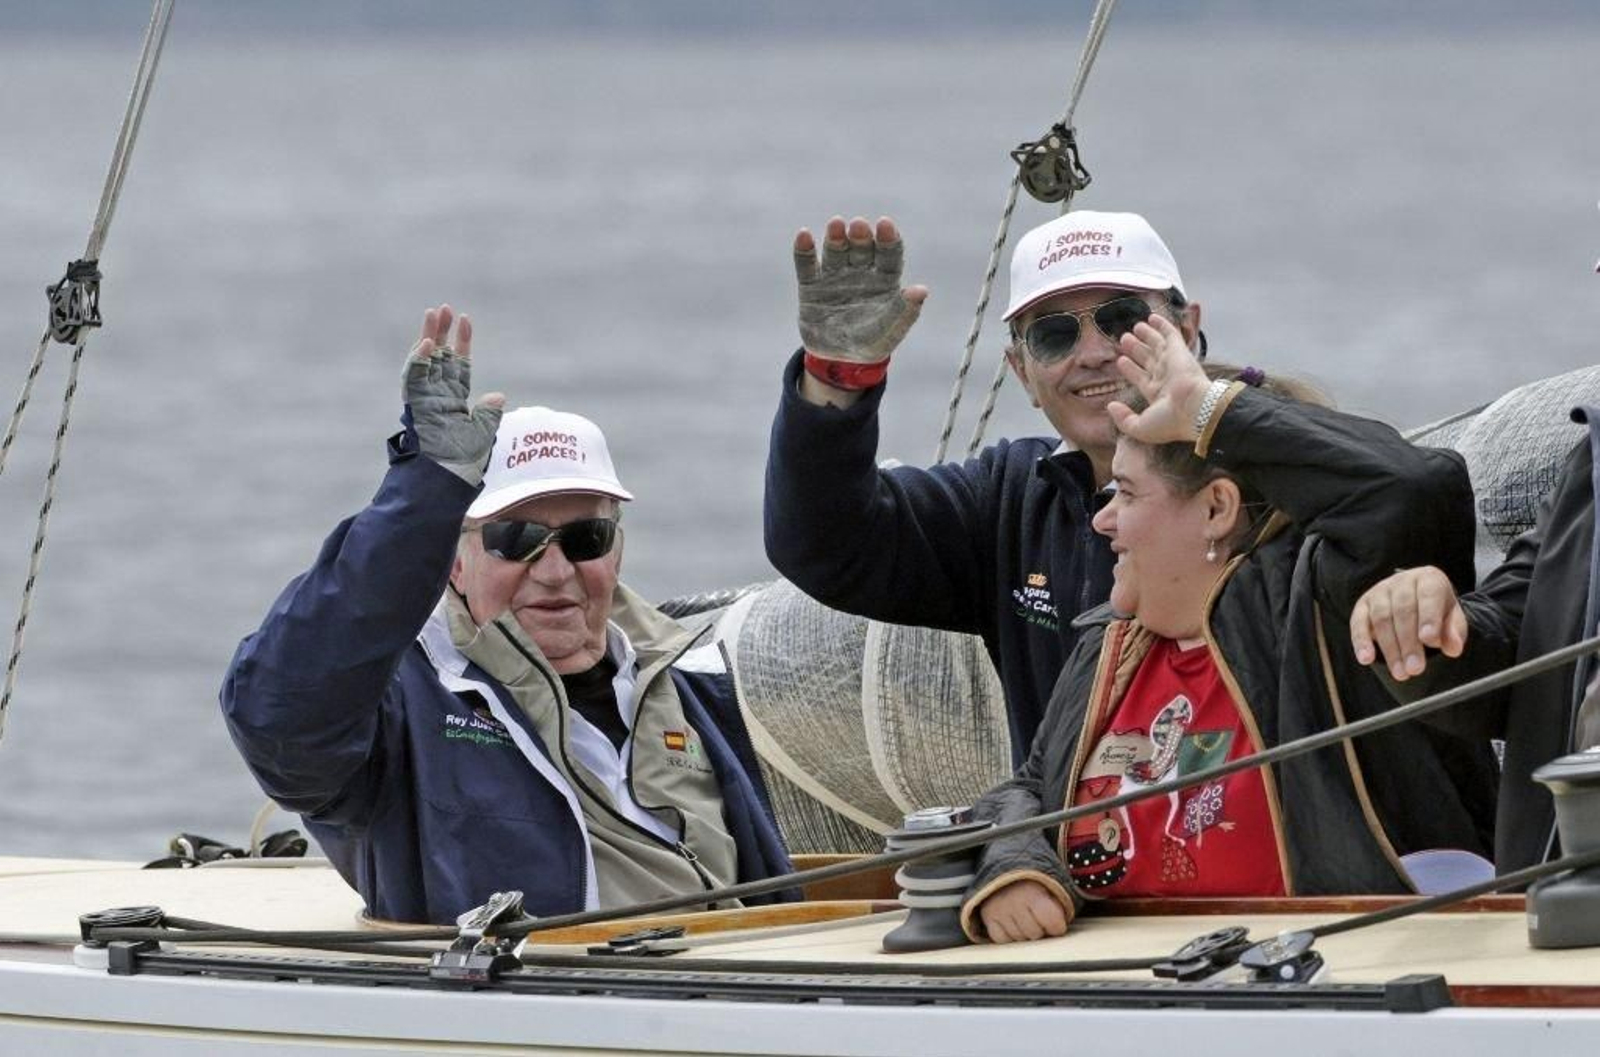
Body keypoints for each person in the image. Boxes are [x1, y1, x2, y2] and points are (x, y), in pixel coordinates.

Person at [222, 305, 796, 925]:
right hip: (539, 1013)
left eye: (586, 539)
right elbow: (277, 716)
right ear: (454, 561)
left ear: (619, 548)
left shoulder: (692, 684)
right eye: (514, 539)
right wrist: (425, 491)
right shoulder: (399, 710)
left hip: (735, 994)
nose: (554, 571)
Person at [956, 315, 1498, 944]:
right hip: (1137, 999)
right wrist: (1016, 866)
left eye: (1126, 495)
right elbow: (1029, 788)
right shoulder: (1109, 640)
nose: (1103, 521)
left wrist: (1210, 410)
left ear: (1217, 508)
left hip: (1330, 988)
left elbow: (1415, 486)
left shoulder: (1323, 603)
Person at [765, 210, 1208, 758]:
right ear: (1021, 371)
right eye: (1053, 335)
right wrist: (836, 376)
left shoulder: (1268, 476)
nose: (1094, 354)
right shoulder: (1012, 498)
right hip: (1062, 841)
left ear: (1186, 331)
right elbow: (827, 546)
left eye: (1121, 320)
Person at [1350, 417, 1600, 874]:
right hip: (1569, 887)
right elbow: (1519, 639)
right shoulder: (1593, 460)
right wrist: (1432, 623)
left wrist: (1213, 408)